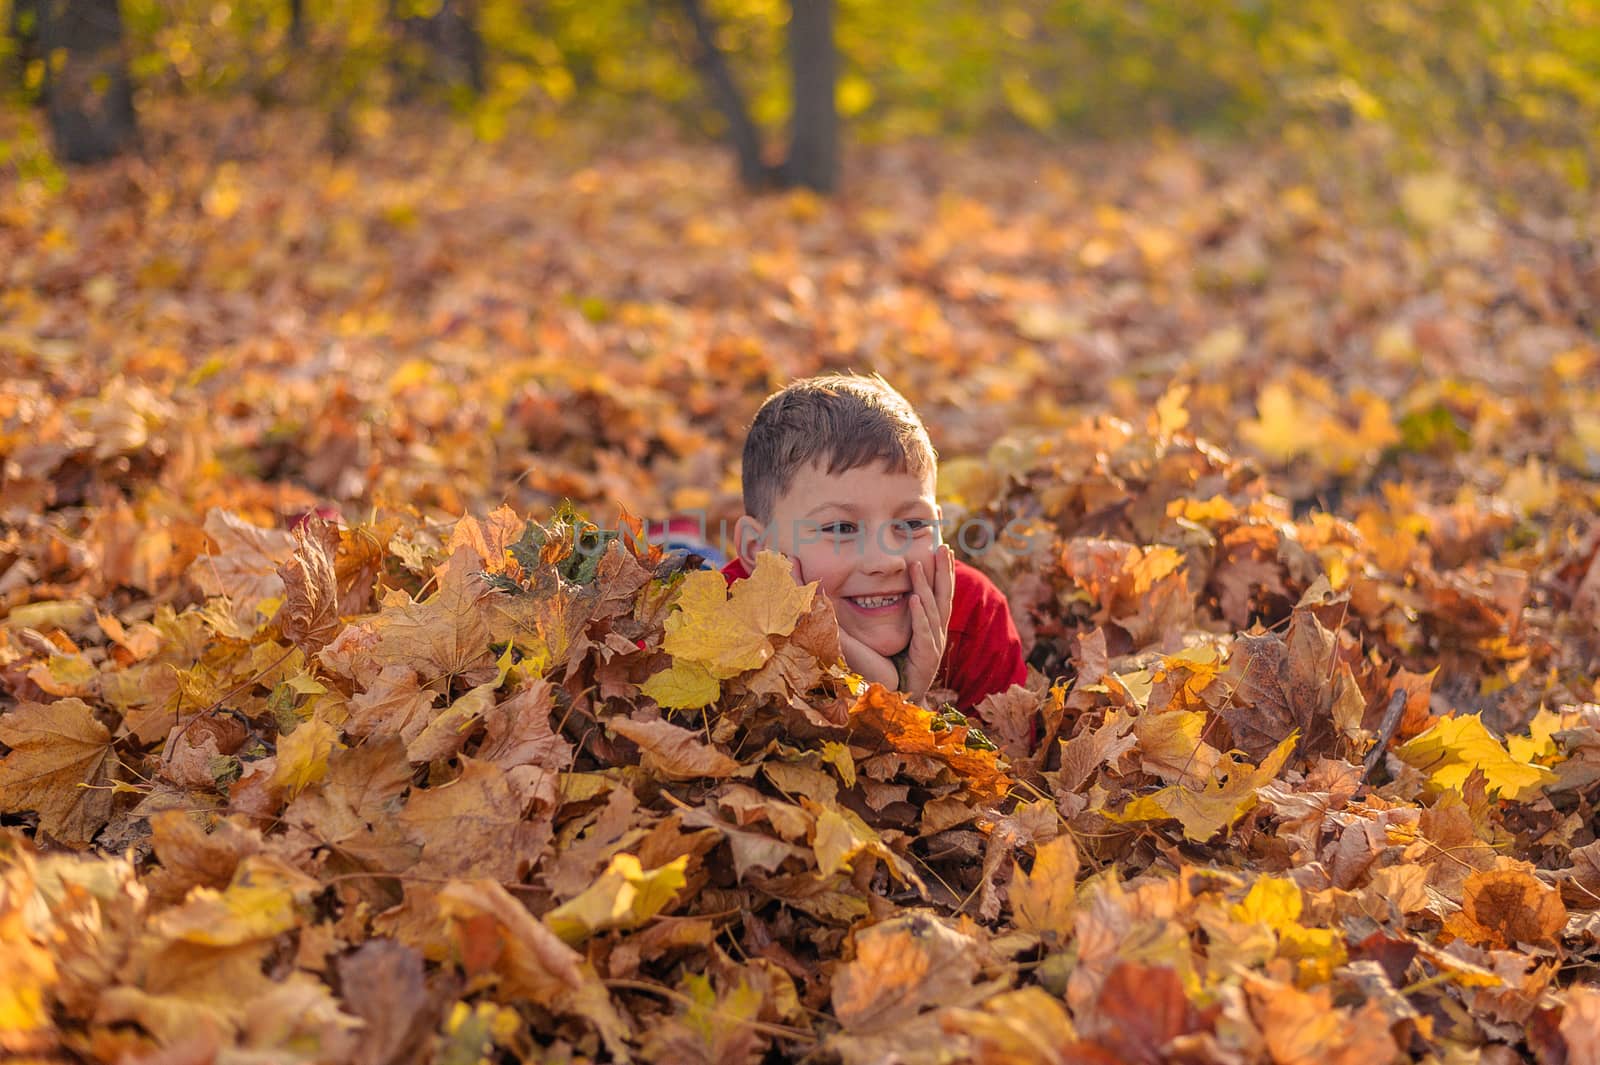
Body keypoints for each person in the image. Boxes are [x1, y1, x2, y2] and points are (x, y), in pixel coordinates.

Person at [711, 372, 1028, 716]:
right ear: (758, 550)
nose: (886, 560)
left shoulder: (975, 612)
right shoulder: (715, 628)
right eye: (842, 528)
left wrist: (909, 702)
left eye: (912, 524)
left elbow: (1004, 765)